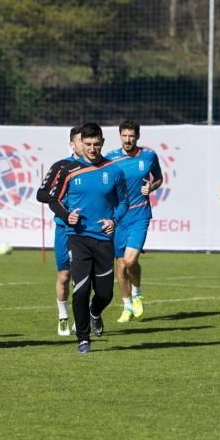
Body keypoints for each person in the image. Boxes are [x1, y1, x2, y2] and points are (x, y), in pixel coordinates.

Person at [43, 122, 128, 353]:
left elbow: (123, 202)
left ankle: (95, 312)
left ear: (102, 143)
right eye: (88, 144)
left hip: (103, 239)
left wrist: (114, 221)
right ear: (81, 143)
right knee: (80, 289)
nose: (92, 148)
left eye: (96, 144)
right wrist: (66, 215)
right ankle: (83, 338)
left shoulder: (114, 170)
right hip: (77, 238)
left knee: (105, 294)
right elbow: (52, 198)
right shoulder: (68, 170)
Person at [105, 120, 163, 324]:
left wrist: (152, 187)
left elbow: (158, 178)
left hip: (140, 214)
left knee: (130, 261)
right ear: (120, 136)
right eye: (124, 135)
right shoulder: (110, 158)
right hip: (118, 217)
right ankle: (127, 305)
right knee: (120, 266)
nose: (128, 139)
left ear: (137, 137)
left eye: (131, 136)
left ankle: (137, 293)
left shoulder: (148, 156)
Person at [36, 126, 83, 336]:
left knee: (84, 277)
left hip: (87, 231)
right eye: (82, 141)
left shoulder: (99, 168)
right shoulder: (61, 167)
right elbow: (41, 194)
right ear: (72, 144)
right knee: (64, 275)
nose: (87, 145)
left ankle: (81, 318)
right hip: (64, 228)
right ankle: (63, 317)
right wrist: (59, 198)